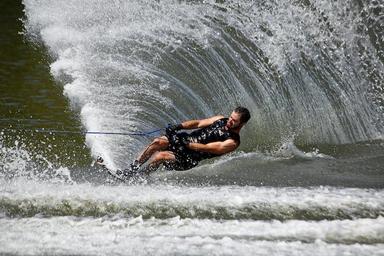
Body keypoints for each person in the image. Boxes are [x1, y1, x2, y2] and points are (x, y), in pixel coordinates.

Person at [97, 106, 250, 178]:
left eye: (234, 121)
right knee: (158, 142)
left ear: (242, 124)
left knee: (160, 156)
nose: (229, 121)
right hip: (184, 142)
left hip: (188, 158)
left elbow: (208, 148)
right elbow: (197, 123)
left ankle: (140, 178)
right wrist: (179, 126)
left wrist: (186, 144)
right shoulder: (219, 119)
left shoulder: (232, 142)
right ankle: (131, 170)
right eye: (230, 117)